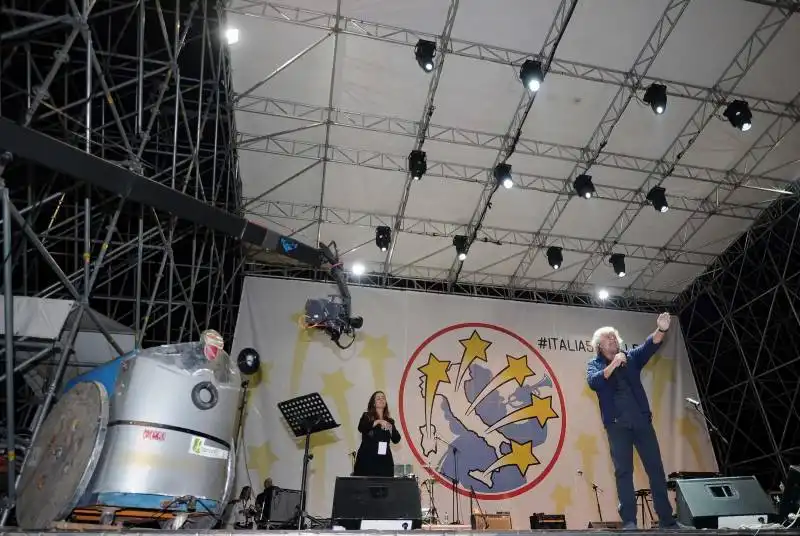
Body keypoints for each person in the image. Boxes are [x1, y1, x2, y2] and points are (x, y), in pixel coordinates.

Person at [586, 312, 678, 530]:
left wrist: (662, 329)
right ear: (599, 345)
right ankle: (629, 521)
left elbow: (650, 345)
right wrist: (613, 364)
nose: (614, 340)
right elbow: (594, 382)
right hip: (617, 426)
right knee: (623, 472)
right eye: (608, 338)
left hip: (641, 423)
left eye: (615, 337)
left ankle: (667, 520)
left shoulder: (631, 358)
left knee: (655, 469)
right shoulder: (595, 365)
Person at [353, 391, 401, 477]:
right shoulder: (367, 416)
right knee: (366, 488)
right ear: (374, 403)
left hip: (384, 460)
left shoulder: (390, 421)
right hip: (367, 458)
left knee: (384, 488)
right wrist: (378, 421)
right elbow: (361, 428)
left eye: (383, 398)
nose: (381, 400)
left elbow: (396, 439)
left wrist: (390, 428)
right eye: (378, 398)